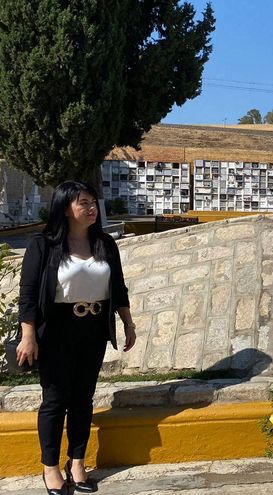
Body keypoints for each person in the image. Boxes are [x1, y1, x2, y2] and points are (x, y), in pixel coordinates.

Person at [17, 181, 137, 495]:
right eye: (83, 202)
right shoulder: (43, 244)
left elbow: (118, 287)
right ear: (66, 208)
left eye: (93, 202)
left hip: (94, 329)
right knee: (55, 401)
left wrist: (128, 323)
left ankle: (77, 463)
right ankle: (50, 467)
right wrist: (28, 335)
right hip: (55, 331)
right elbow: (28, 294)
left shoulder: (105, 243)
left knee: (83, 399)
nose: (91, 208)